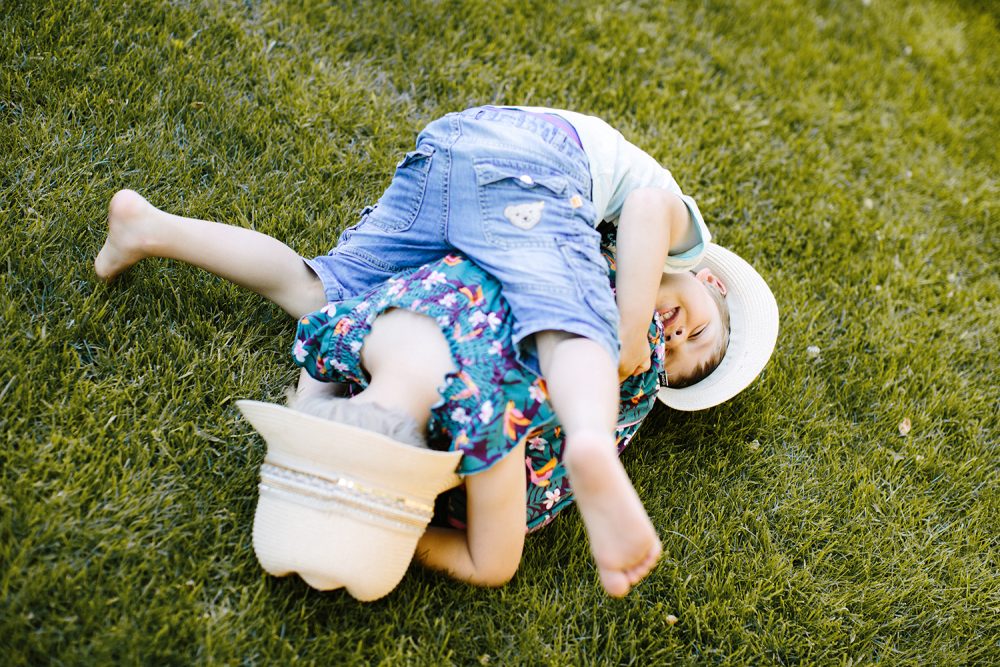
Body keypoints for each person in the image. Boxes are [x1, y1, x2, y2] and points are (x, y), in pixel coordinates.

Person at [94, 105, 772, 595]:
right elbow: (650, 210)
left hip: (444, 163)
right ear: (710, 281)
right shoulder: (681, 238)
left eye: (677, 366)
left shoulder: (352, 337)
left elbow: (321, 364)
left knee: (319, 290)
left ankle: (150, 227)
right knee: (572, 328)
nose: (676, 341)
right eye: (700, 335)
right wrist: (624, 334)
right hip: (533, 161)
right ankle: (590, 439)